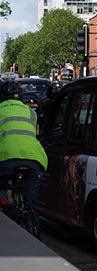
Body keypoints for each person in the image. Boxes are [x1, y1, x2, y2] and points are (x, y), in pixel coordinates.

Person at [0, 89, 47, 230]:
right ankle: (31, 222)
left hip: (6, 157)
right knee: (30, 197)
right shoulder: (31, 113)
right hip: (35, 159)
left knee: (1, 186)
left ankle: (4, 212)